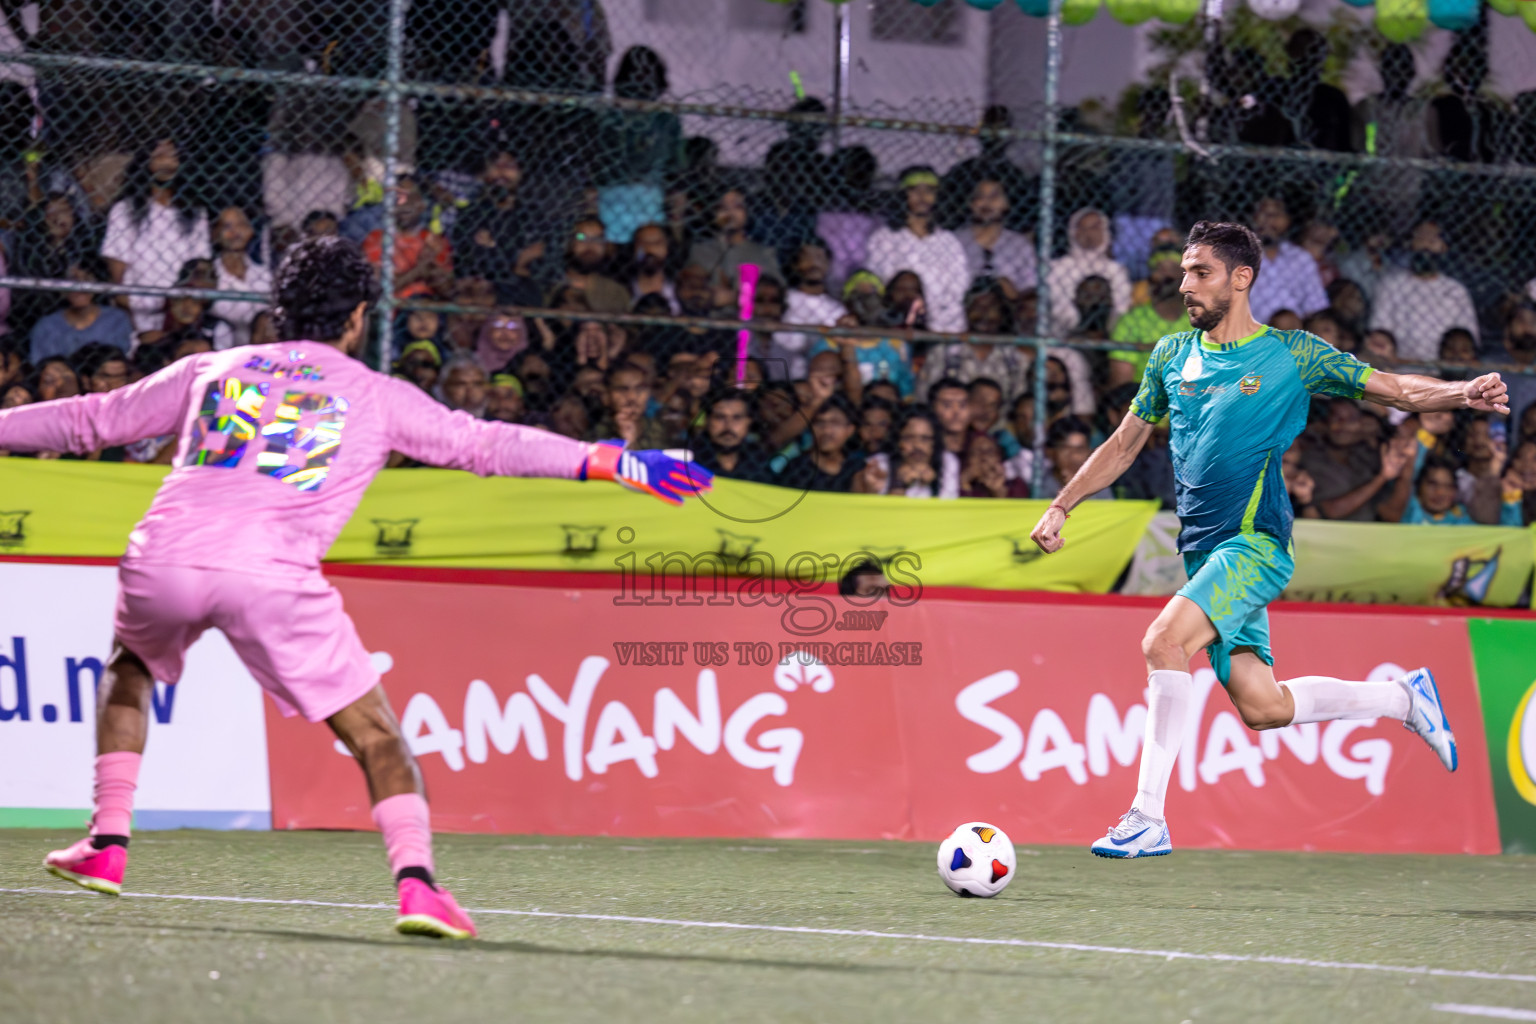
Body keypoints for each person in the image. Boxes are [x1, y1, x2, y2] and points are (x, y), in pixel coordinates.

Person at [16, 236, 711, 937]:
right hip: (271, 578)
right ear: (356, 317)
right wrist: (608, 460)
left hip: (163, 559)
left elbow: (89, 421)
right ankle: (418, 887)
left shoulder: (211, 369)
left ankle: (107, 844)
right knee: (376, 735)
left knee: (129, 667)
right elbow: (488, 446)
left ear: (278, 310)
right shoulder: (376, 397)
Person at [1029, 220, 1507, 859]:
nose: (1185, 285)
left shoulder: (1293, 354)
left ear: (1241, 278)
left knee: (1164, 642)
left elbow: (1394, 390)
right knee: (1263, 706)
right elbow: (1123, 445)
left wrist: (1462, 392)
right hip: (1202, 551)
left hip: (1254, 545)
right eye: (1182, 273)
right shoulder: (1171, 355)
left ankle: (1147, 816)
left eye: (1200, 272)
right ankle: (1402, 697)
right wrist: (1064, 504)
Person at [100, 138, 212, 335]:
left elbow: (200, 268)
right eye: (159, 155)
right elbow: (118, 276)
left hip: (181, 312)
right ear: (146, 162)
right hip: (137, 310)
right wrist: (134, 328)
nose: (166, 161)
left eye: (173, 156)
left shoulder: (195, 213)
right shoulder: (125, 210)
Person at [866, 166, 968, 333]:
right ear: (902, 194)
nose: (922, 197)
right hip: (894, 324)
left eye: (929, 190)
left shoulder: (949, 241)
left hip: (943, 326)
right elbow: (876, 283)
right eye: (914, 190)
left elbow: (959, 289)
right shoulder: (883, 238)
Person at [1369, 220, 1478, 363]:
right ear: (1411, 244)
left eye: (1432, 240)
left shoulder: (1456, 291)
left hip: (1444, 372)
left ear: (1443, 247)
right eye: (1421, 238)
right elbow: (1379, 333)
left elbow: (1467, 341)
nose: (1426, 246)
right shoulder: (1391, 285)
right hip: (1398, 370)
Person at [1109, 243, 1191, 387]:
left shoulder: (1196, 319)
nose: (1165, 277)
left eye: (1172, 270)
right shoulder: (1132, 320)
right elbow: (1121, 384)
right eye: (1159, 270)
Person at [1046, 207, 1132, 338]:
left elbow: (1122, 307)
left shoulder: (1117, 270)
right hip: (1063, 335)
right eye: (1083, 228)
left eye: (1095, 227)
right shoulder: (1056, 267)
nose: (1089, 233)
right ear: (1073, 232)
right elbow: (1056, 306)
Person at [30, 256, 134, 362]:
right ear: (61, 289)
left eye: (87, 280)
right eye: (73, 281)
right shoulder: (47, 327)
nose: (81, 288)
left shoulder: (115, 320)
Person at [1247, 196, 1327, 324]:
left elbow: (1316, 309)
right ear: (1252, 216)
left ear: (1288, 219)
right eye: (1264, 211)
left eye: (1277, 213)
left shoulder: (1301, 259)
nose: (1270, 219)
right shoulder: (1234, 258)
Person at [954, 177, 1035, 292]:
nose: (986, 203)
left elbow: (1030, 289)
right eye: (980, 197)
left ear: (1006, 204)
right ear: (971, 204)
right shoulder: (954, 241)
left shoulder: (1020, 245)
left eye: (994, 197)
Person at [209, 206, 272, 347]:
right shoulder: (210, 275)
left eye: (241, 225)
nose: (235, 232)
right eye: (227, 226)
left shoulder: (264, 273)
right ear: (215, 234)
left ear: (250, 231)